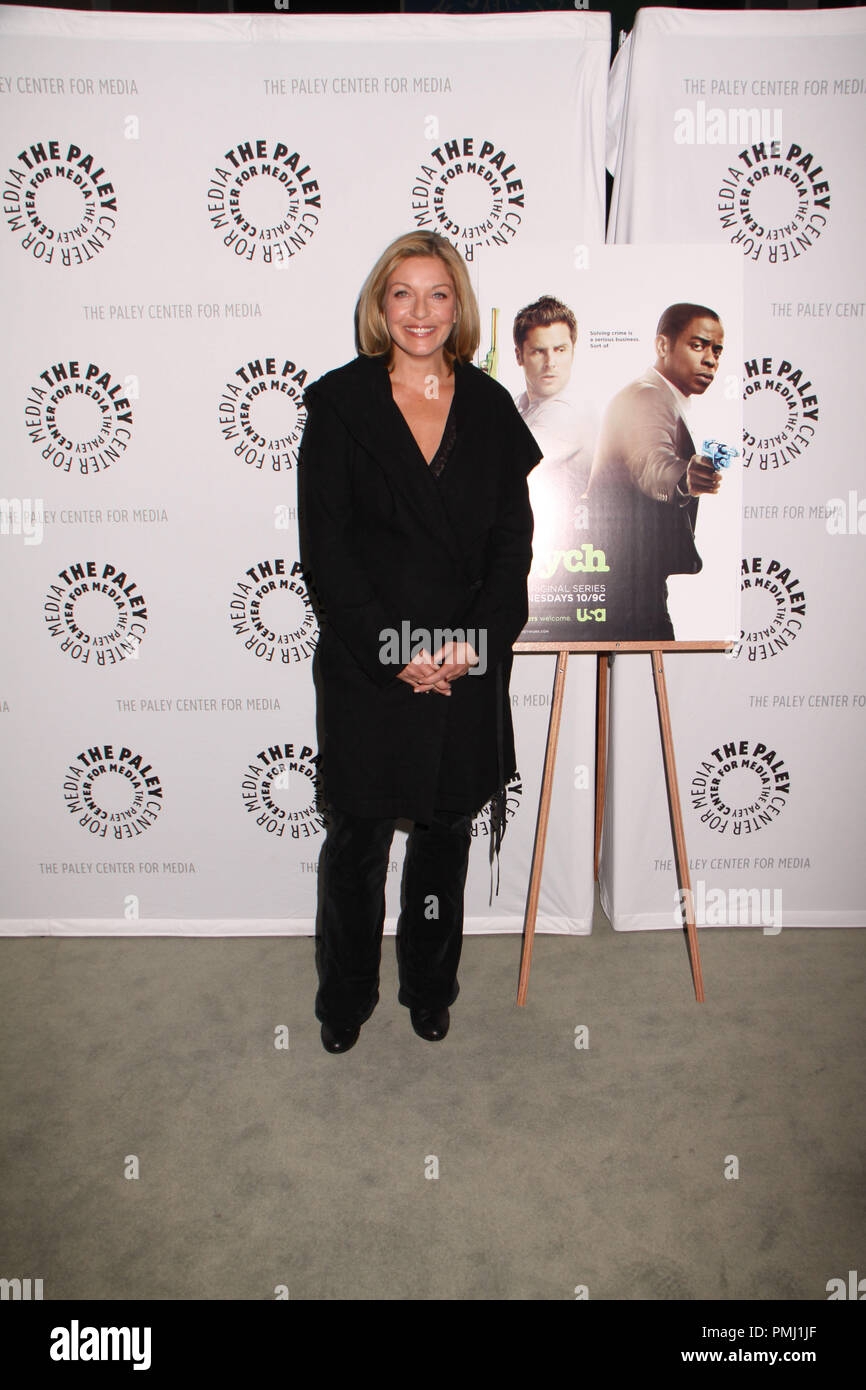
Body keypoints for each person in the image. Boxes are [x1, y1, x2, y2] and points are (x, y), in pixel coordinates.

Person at [297, 231, 542, 1053]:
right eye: (403, 293)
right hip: (374, 662)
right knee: (359, 840)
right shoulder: (339, 406)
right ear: (380, 305)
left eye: (438, 294)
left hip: (465, 657)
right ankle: (345, 997)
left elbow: (514, 546)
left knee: (444, 837)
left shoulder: (490, 408)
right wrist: (397, 651)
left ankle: (430, 988)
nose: (420, 311)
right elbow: (326, 551)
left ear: (459, 306)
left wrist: (471, 647)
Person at [586, 302, 726, 641]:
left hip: (629, 580)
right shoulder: (646, 397)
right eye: (698, 345)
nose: (710, 359)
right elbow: (650, 462)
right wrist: (683, 478)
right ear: (663, 346)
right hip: (626, 588)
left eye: (717, 350)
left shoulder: (662, 396)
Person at [512, 296, 596, 563]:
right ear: (519, 356)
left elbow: (502, 467)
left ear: (573, 351)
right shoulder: (521, 403)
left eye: (560, 350)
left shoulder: (567, 411)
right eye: (539, 351)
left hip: (569, 557)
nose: (551, 362)